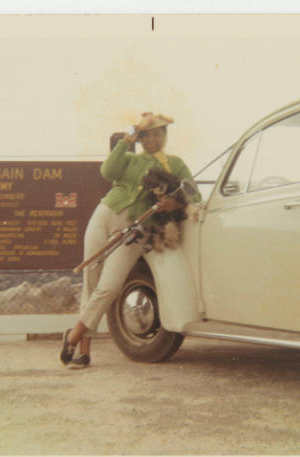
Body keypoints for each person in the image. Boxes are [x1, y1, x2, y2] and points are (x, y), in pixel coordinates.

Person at [60, 112, 199, 368]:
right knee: (92, 277)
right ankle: (84, 350)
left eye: (157, 133)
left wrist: (175, 203)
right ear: (141, 138)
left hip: (138, 230)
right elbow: (107, 170)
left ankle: (74, 334)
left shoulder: (176, 164)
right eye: (146, 135)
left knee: (109, 287)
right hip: (106, 216)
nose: (152, 139)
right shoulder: (129, 158)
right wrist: (127, 139)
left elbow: (194, 195)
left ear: (165, 136)